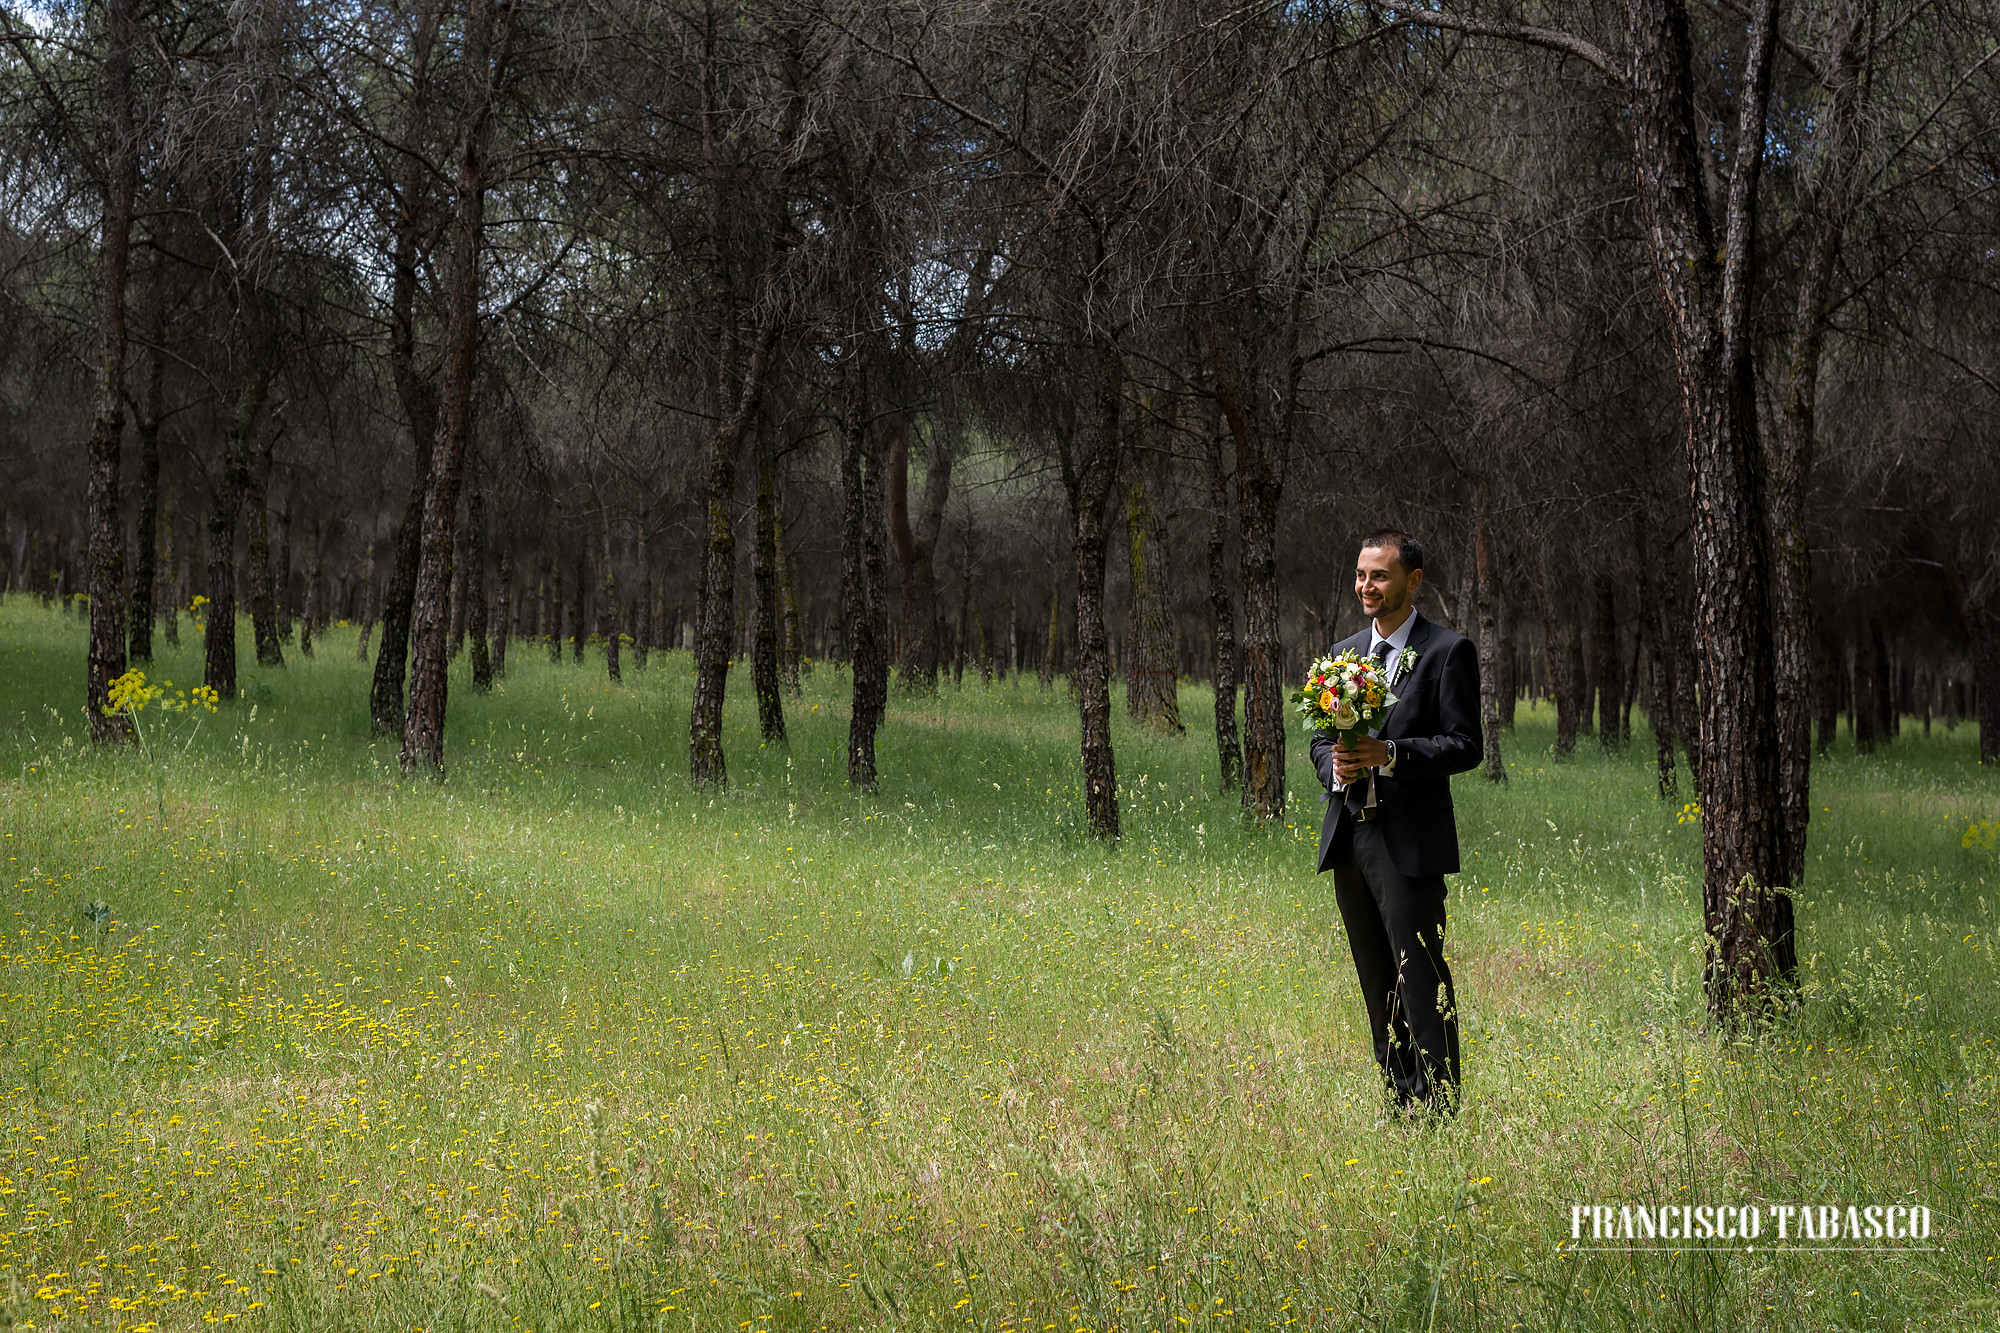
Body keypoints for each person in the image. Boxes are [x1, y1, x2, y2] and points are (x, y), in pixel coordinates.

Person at [1310, 529, 1481, 1114]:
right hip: (1351, 839)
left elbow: (1465, 745)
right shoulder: (1344, 652)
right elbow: (1317, 739)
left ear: (1413, 581)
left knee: (1421, 981)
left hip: (1409, 843)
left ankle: (1438, 1107)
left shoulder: (1447, 651)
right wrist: (1334, 765)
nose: (1366, 586)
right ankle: (1399, 1102)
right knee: (1376, 980)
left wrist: (1395, 755)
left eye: (1379, 575)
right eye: (1361, 574)